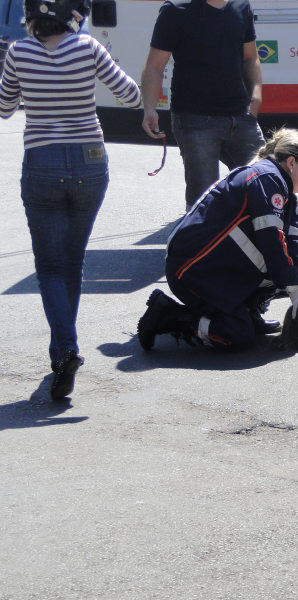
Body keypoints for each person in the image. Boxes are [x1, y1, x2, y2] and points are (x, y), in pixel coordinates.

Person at [0, 0, 141, 400]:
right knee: (72, 263)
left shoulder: (18, 52)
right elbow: (130, 95)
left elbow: (4, 108)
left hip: (41, 161)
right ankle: (62, 350)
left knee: (49, 266)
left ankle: (64, 350)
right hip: (90, 160)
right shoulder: (89, 47)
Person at [136, 128, 298, 351]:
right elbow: (272, 241)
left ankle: (248, 310)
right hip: (193, 271)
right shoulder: (267, 179)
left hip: (217, 266)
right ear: (291, 162)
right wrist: (297, 291)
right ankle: (169, 314)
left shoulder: (282, 188)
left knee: (289, 274)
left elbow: (294, 246)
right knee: (237, 335)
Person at [141, 0, 265, 211]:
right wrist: (150, 108)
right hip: (195, 119)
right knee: (205, 202)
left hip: (241, 117)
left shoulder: (241, 6)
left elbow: (250, 58)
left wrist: (256, 96)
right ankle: (200, 243)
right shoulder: (175, 9)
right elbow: (154, 66)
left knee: (263, 185)